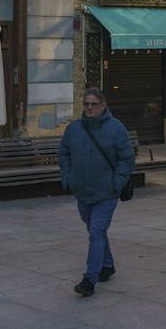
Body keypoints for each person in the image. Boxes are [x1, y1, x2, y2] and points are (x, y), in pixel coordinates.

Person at [57, 87, 135, 297]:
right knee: (95, 229)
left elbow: (127, 158)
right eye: (86, 104)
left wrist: (116, 183)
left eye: (94, 104)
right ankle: (107, 265)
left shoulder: (116, 128)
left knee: (96, 231)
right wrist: (68, 178)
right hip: (82, 191)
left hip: (106, 192)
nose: (89, 108)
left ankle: (90, 279)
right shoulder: (74, 129)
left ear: (103, 106)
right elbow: (63, 152)